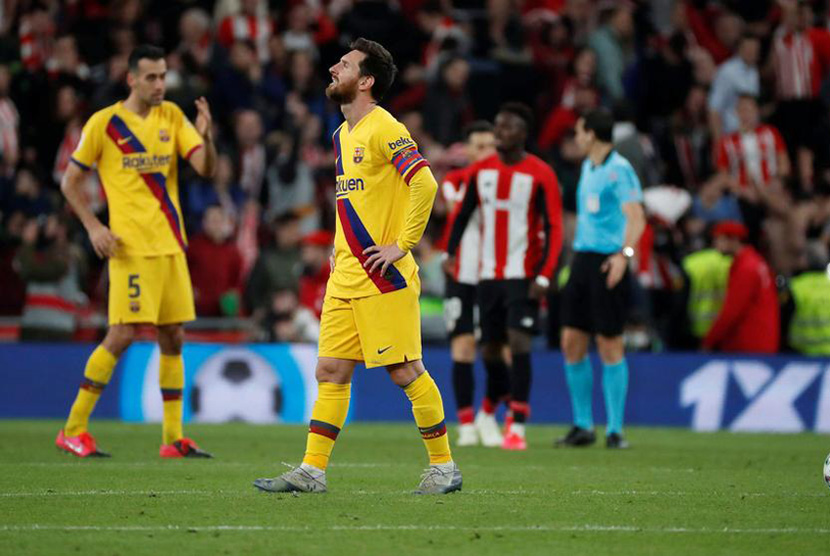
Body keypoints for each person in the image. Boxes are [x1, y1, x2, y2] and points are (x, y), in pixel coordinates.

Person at [253, 38, 461, 495]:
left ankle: (444, 467)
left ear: (365, 81)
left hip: (381, 277)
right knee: (330, 369)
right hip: (346, 273)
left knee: (405, 370)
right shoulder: (341, 135)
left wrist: (402, 245)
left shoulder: (384, 127)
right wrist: (336, 245)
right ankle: (312, 470)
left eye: (343, 65)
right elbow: (354, 200)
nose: (332, 69)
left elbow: (425, 182)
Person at [56, 45, 217, 458]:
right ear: (132, 79)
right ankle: (72, 429)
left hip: (170, 246)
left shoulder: (173, 118)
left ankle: (172, 438)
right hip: (130, 248)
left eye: (163, 76)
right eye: (151, 77)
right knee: (123, 333)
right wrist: (94, 227)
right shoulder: (104, 124)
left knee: (173, 337)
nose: (160, 84)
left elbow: (205, 168)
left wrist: (208, 138)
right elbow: (69, 183)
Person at [445, 102, 563, 451]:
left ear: (523, 134)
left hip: (522, 274)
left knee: (519, 342)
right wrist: (449, 253)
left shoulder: (540, 173)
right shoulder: (481, 172)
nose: (500, 133)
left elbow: (554, 226)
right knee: (491, 349)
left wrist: (545, 274)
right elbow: (463, 214)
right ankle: (490, 410)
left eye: (507, 127)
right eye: (498, 126)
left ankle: (518, 424)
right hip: (486, 275)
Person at [557, 108, 645, 450]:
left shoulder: (619, 170)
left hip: (609, 261)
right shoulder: (588, 166)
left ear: (591, 133)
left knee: (610, 343)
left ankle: (615, 430)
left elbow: (636, 217)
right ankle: (582, 426)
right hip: (582, 260)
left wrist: (624, 256)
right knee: (571, 342)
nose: (576, 138)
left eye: (579, 132)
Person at [440, 120, 510, 447]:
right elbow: (459, 211)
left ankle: (487, 414)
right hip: (461, 276)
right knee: (464, 346)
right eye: (479, 147)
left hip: (496, 275)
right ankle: (466, 423)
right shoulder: (455, 181)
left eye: (491, 147)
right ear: (467, 150)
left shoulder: (509, 181)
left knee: (499, 350)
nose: (485, 154)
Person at [702, 221, 779, 354]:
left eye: (718, 239)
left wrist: (709, 341)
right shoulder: (755, 262)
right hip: (761, 341)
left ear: (733, 240)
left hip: (748, 345)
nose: (715, 244)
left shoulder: (746, 268)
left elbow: (731, 311)